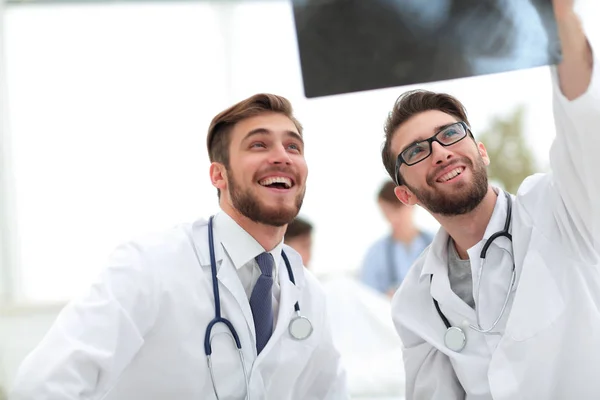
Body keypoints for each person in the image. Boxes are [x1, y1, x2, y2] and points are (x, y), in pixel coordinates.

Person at [10, 94, 349, 399]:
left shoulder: (308, 294)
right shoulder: (150, 266)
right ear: (219, 176)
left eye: (293, 147)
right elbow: (42, 387)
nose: (282, 157)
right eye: (258, 145)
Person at [380, 1, 599, 398]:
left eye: (450, 134)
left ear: (481, 151)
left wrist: (562, 18)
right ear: (405, 194)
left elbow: (584, 117)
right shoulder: (415, 299)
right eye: (415, 151)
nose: (440, 151)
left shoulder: (562, 207)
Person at [359, 180, 433, 297]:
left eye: (397, 209)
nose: (392, 218)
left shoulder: (437, 242)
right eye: (386, 212)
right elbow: (367, 301)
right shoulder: (375, 254)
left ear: (411, 203)